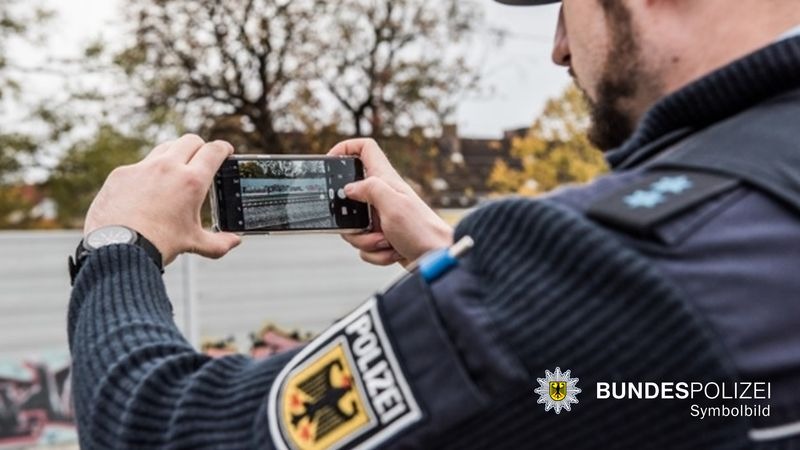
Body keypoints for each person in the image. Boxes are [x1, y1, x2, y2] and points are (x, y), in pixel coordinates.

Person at [67, 0, 800, 448]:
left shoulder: (615, 265)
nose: (559, 48)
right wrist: (456, 261)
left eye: (567, 3)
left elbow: (170, 432)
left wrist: (118, 245)